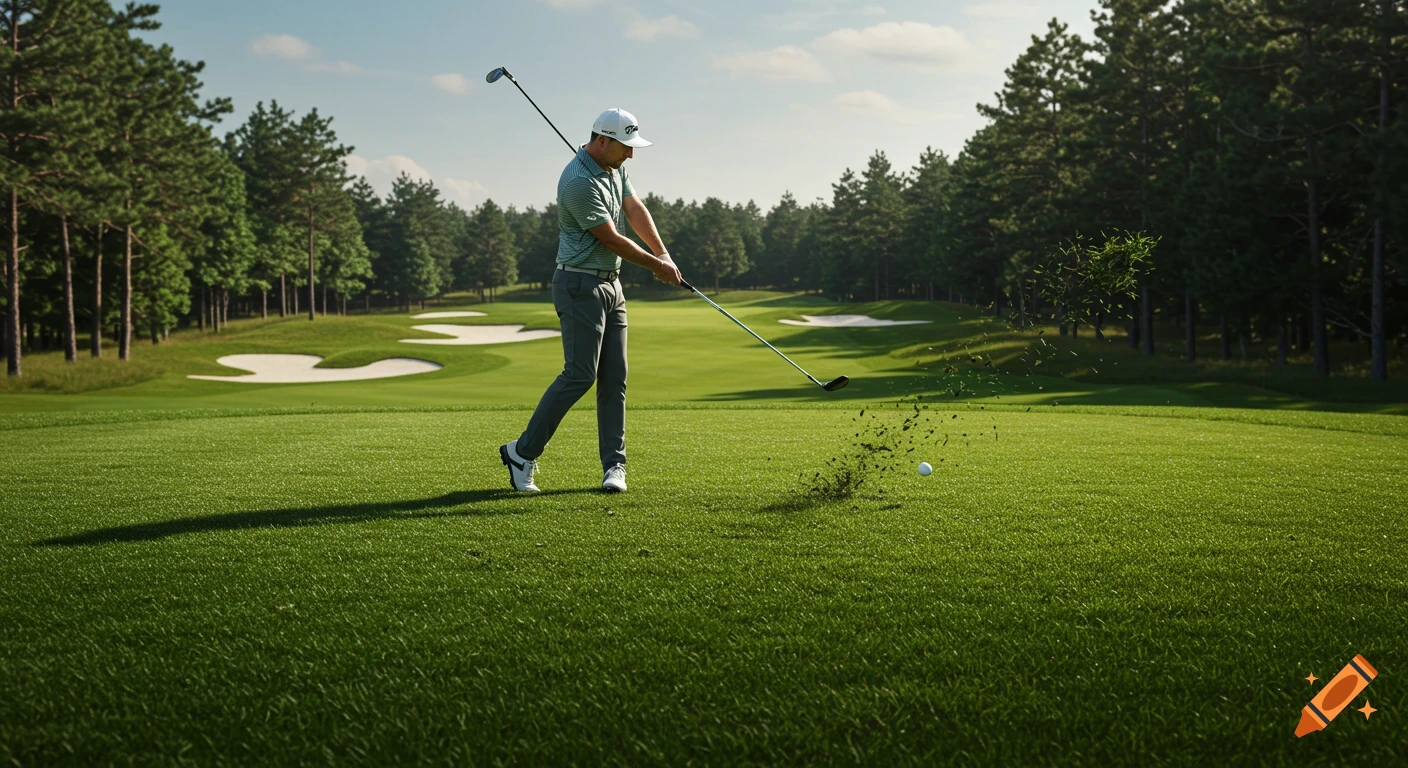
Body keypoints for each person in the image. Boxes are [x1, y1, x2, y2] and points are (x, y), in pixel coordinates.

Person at [500, 108, 683, 494]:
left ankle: (614, 467)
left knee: (615, 378)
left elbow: (634, 209)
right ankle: (522, 452)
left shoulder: (614, 168)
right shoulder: (578, 182)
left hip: (612, 286)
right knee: (580, 373)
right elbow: (612, 238)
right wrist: (656, 267)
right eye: (625, 147)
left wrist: (663, 255)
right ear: (602, 140)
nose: (631, 155)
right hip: (579, 285)